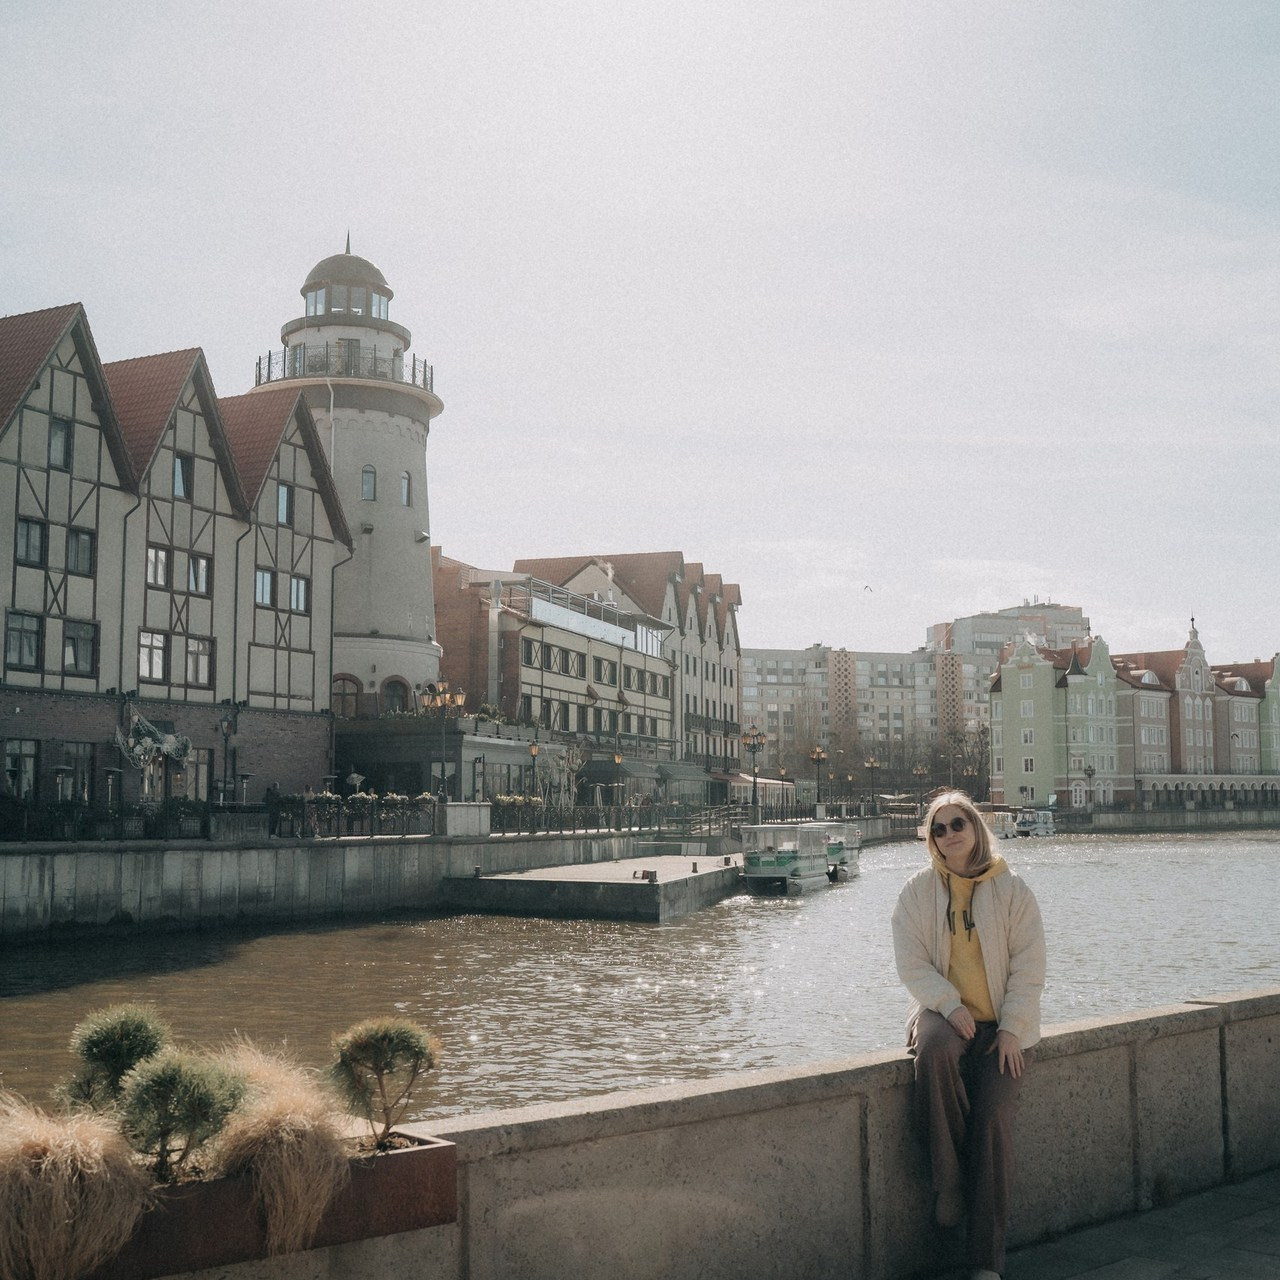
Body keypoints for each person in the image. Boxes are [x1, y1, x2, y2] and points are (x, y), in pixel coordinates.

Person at [891, 790, 1045, 1280]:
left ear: (976, 827)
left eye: (958, 823)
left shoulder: (1013, 889)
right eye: (938, 828)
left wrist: (1013, 1030)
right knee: (934, 1049)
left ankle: (986, 1265)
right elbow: (911, 962)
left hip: (1002, 1024)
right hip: (943, 1011)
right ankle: (951, 1183)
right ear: (930, 839)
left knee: (993, 1119)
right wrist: (949, 1004)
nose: (949, 833)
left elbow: (1029, 967)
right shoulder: (918, 890)